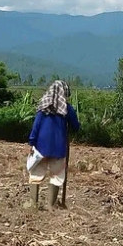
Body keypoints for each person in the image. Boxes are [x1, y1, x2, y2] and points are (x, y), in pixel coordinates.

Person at [26, 80, 80, 210]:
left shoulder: (43, 107)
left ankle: (33, 203)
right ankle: (51, 205)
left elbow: (36, 126)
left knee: (36, 173)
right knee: (57, 175)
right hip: (58, 147)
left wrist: (32, 142)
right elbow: (76, 126)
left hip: (41, 146)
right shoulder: (66, 108)